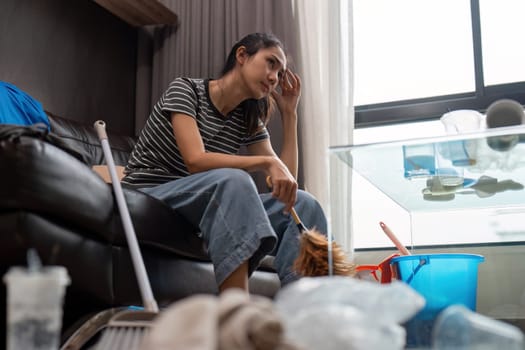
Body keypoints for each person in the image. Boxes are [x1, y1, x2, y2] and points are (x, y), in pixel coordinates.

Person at [122, 32, 327, 293]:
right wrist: (264, 161)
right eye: (270, 63)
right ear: (242, 55)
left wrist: (290, 114)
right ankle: (234, 312)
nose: (275, 77)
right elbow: (195, 160)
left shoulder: (247, 118)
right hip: (151, 195)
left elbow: (287, 186)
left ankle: (304, 312)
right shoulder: (186, 90)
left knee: (304, 202)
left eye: (280, 71)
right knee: (234, 180)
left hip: (201, 205)